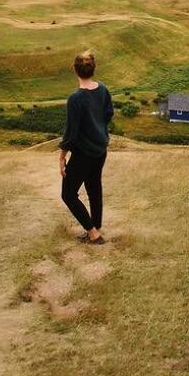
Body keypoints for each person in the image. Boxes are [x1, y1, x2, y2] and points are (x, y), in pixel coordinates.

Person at [59, 50, 113, 244]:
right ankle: (96, 226)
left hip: (83, 154)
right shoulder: (103, 89)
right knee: (94, 187)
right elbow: (108, 114)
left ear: (74, 70)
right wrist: (98, 130)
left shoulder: (75, 98)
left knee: (68, 194)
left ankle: (92, 233)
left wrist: (62, 156)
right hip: (100, 149)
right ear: (93, 69)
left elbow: (71, 132)